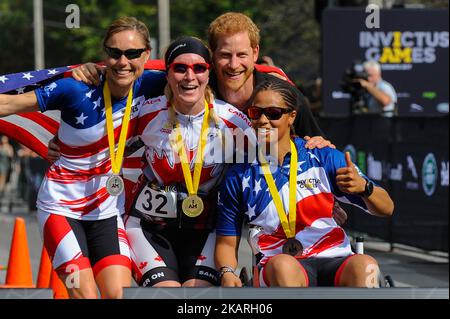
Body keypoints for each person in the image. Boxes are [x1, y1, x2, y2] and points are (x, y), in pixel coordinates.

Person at [0, 16, 166, 298]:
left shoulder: (152, 84)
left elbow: (202, 74)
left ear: (147, 55)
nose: (123, 62)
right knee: (85, 295)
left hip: (106, 211)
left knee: (118, 294)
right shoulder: (76, 87)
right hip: (61, 209)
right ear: (105, 54)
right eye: (114, 53)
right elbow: (8, 103)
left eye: (132, 53)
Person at [215, 77, 394, 288]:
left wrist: (365, 188)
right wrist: (227, 272)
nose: (263, 120)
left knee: (366, 265)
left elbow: (387, 208)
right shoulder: (239, 174)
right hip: (278, 262)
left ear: (291, 117)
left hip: (334, 257)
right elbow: (226, 242)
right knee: (283, 266)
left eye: (272, 113)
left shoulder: (322, 156)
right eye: (256, 112)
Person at [123, 36, 257, 287]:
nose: (189, 76)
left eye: (199, 68)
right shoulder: (146, 112)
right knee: (167, 293)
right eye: (180, 68)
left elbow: (273, 160)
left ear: (209, 73)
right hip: (149, 227)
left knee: (196, 295)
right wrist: (59, 145)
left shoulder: (233, 121)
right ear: (168, 73)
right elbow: (103, 142)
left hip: (208, 228)